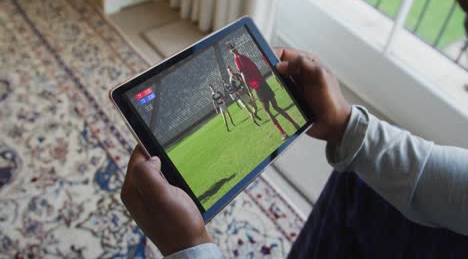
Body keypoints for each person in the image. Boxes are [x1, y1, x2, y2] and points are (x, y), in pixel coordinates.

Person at [120, 45, 468, 258]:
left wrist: (190, 249)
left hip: (255, 92)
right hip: (258, 92)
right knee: (356, 182)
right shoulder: (238, 67)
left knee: (272, 114)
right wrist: (347, 125)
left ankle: (273, 121)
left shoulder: (240, 67)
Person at [226, 42, 300, 140]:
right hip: (264, 83)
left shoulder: (237, 60)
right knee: (276, 107)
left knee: (267, 111)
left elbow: (244, 75)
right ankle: (295, 124)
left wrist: (250, 92)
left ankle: (283, 133)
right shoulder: (244, 56)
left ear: (230, 52)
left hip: (258, 87)